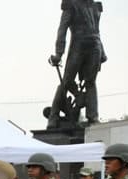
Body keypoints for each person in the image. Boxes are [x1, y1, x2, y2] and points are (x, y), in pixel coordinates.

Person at [47, 0, 106, 128]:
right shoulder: (71, 4)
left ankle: (93, 117)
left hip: (94, 46)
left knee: (90, 82)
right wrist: (59, 53)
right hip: (78, 45)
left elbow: (97, 30)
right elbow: (62, 29)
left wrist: (102, 52)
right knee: (67, 81)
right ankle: (54, 116)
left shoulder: (95, 6)